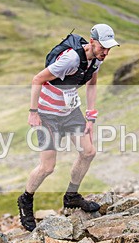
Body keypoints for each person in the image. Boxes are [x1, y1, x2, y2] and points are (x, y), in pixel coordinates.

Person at [17, 24, 119, 231]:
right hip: (47, 114)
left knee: (88, 152)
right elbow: (37, 79)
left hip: (70, 112)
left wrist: (91, 116)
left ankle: (71, 196)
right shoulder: (71, 59)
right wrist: (33, 112)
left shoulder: (96, 61)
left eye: (109, 48)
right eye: (102, 47)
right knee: (48, 167)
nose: (106, 52)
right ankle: (25, 200)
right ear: (92, 42)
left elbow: (92, 84)